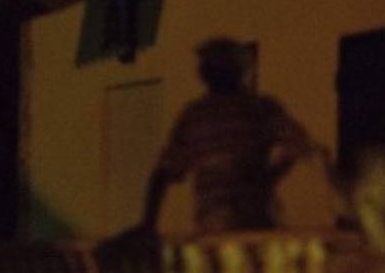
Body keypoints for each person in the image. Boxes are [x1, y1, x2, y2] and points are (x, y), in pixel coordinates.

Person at [128, 37, 316, 237]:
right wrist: (267, 178)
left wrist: (147, 223)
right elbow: (299, 144)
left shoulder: (194, 116)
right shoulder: (260, 108)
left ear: (203, 73)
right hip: (256, 218)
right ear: (241, 70)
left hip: (215, 222)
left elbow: (163, 173)